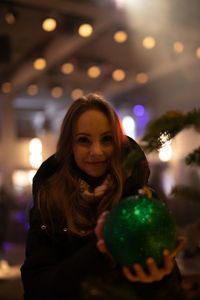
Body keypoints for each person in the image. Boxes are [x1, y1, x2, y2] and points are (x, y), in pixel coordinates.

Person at [21, 93, 185, 300]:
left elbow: (171, 291)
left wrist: (160, 278)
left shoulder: (142, 200)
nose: (96, 151)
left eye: (106, 139)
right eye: (84, 140)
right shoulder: (49, 202)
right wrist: (100, 251)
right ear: (69, 145)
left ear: (118, 143)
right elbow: (36, 289)